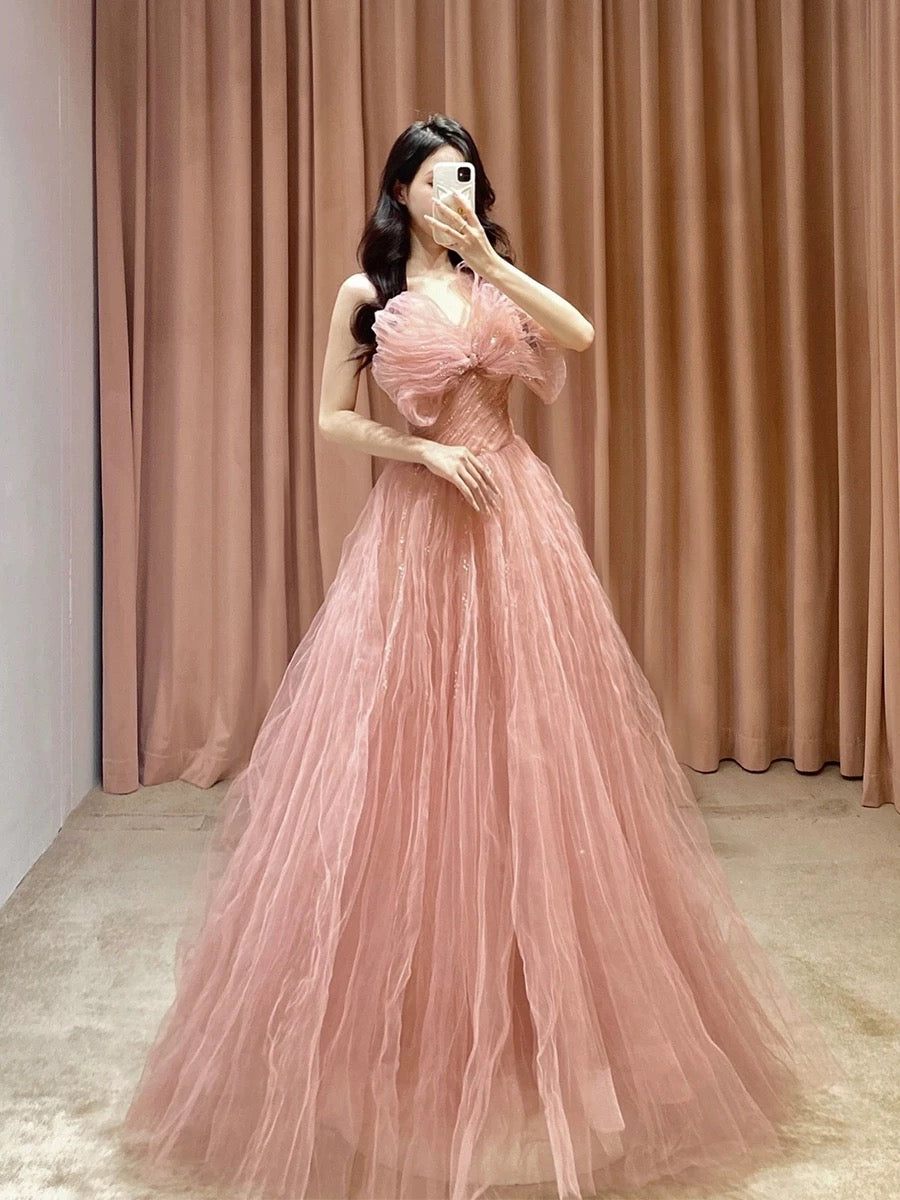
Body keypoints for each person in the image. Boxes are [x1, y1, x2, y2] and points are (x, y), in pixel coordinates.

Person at [119, 114, 845, 1200]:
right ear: (401, 191)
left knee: (538, 761)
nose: (453, 187)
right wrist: (420, 453)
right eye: (434, 175)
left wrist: (494, 263)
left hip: (516, 527)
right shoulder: (367, 295)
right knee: (409, 765)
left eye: (466, 173)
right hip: (422, 529)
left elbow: (580, 338)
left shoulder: (491, 285)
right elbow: (330, 420)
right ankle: (409, 1032)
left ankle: (540, 1017)